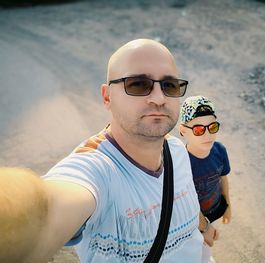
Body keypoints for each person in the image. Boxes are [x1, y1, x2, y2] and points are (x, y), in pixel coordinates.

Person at [0, 39, 218, 263]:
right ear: (107, 97)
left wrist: (204, 226)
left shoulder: (176, 150)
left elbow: (179, 201)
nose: (159, 98)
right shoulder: (96, 170)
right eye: (138, 84)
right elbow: (44, 211)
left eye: (169, 86)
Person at [179, 95, 232, 225]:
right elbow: (183, 201)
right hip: (193, 220)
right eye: (198, 130)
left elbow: (223, 178)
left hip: (216, 208)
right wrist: (203, 227)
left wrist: (228, 206)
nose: (208, 135)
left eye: (212, 127)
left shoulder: (219, 150)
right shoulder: (181, 163)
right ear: (183, 131)